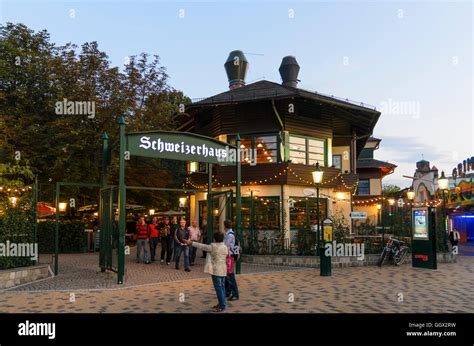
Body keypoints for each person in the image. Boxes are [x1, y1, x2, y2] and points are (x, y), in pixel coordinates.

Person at [184, 232, 228, 312]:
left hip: (216, 270)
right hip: (223, 269)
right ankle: (221, 303)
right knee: (222, 288)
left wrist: (191, 243)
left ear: (215, 239)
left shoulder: (213, 246)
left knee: (218, 289)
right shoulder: (224, 246)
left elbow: (201, 246)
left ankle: (222, 306)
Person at [223, 220, 239, 300]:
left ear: (225, 226)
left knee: (230, 275)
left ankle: (235, 294)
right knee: (227, 275)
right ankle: (228, 292)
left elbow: (225, 246)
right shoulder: (229, 234)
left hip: (229, 257)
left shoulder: (230, 235)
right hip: (228, 256)